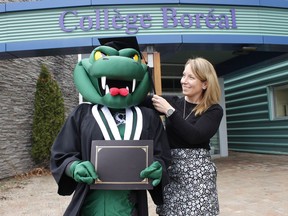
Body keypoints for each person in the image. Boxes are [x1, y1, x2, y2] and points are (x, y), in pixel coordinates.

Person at [143, 57, 223, 215]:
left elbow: (195, 135)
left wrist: (169, 112)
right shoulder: (173, 102)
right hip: (172, 174)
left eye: (191, 77)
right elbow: (138, 100)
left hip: (198, 177)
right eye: (184, 75)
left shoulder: (213, 110)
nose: (184, 81)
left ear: (205, 84)